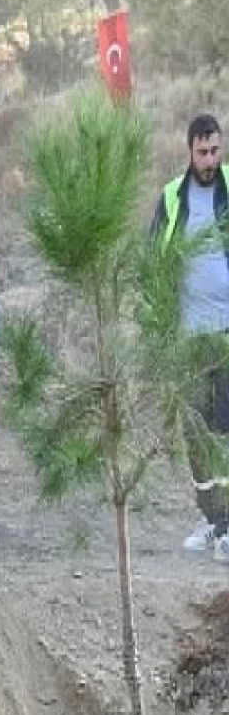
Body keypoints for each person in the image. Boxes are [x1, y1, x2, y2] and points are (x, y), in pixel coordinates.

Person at [150, 113, 229, 559]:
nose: (210, 160)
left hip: (226, 333)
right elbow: (152, 257)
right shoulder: (172, 198)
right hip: (187, 337)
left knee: (225, 427)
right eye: (203, 152)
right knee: (196, 432)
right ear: (189, 150)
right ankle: (212, 517)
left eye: (216, 150)